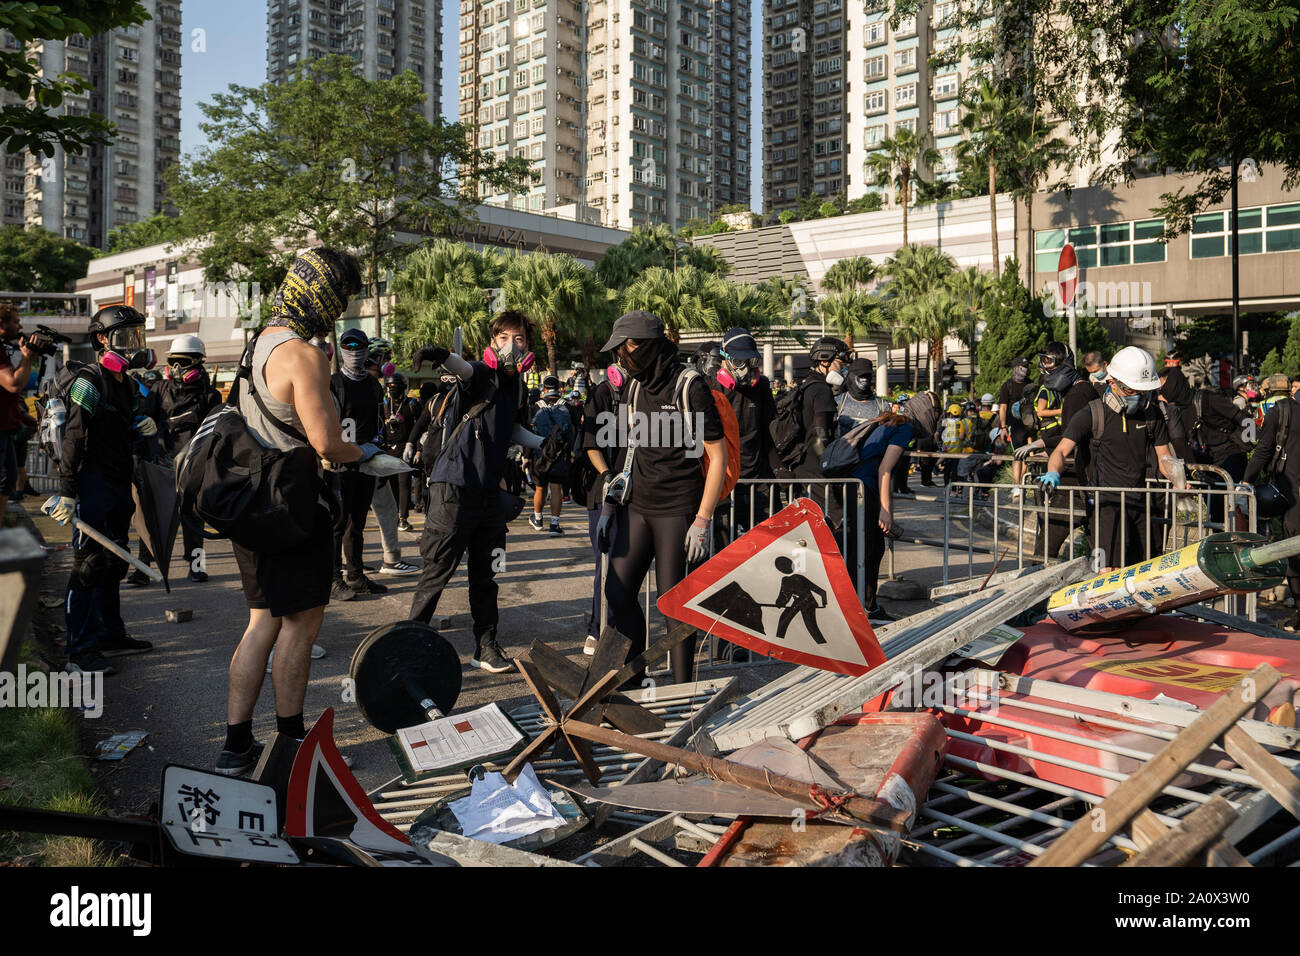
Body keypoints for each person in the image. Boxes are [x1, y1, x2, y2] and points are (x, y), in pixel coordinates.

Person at [216, 247, 368, 775]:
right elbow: (327, 442)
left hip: (249, 504)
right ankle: (292, 744)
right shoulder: (305, 354)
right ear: (325, 295)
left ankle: (236, 747)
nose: (340, 308)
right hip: (292, 507)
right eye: (341, 295)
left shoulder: (257, 342)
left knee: (261, 622)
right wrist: (367, 454)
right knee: (300, 627)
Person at [407, 311, 553, 673]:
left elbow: (513, 429)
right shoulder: (482, 374)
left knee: (486, 576)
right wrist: (441, 354)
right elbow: (464, 370)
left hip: (488, 492)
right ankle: (405, 648)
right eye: (504, 338)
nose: (511, 346)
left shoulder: (518, 386)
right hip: (453, 487)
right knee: (435, 573)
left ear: (528, 347)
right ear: (492, 343)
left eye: (519, 339)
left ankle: (485, 647)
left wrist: (544, 443)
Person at [599, 310, 726, 684]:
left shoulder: (690, 386)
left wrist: (702, 520)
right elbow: (631, 447)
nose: (621, 356)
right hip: (638, 507)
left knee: (674, 606)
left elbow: (716, 456)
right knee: (618, 592)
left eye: (626, 348)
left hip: (678, 510)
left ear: (649, 347)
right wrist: (610, 504)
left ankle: (683, 690)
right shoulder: (635, 387)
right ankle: (635, 678)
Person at [48, 305, 158, 675]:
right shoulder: (89, 381)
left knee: (114, 561)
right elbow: (74, 438)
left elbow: (116, 430)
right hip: (92, 481)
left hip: (116, 480)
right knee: (89, 564)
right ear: (101, 339)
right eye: (126, 338)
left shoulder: (127, 384)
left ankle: (110, 634)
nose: (134, 346)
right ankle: (80, 650)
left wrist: (139, 429)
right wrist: (67, 491)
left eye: (138, 337)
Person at [1041, 346, 1182, 570]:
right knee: (1108, 573)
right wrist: (1052, 472)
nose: (1138, 397)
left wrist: (1178, 480)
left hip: (1140, 503)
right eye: (1131, 390)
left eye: (1143, 392)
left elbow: (1164, 456)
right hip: (1104, 506)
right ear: (1112, 383)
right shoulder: (1092, 413)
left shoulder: (1153, 416)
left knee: (1142, 571)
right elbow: (1060, 451)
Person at [157, 334, 222, 583]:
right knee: (155, 518)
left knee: (193, 521)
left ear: (197, 362)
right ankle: (142, 568)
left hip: (193, 467)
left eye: (182, 362)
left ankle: (196, 566)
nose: (176, 368)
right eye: (172, 361)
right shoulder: (159, 389)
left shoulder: (210, 396)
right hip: (162, 463)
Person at [329, 328, 388, 599]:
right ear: (341, 350)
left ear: (366, 350)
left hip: (366, 461)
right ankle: (332, 578)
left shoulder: (374, 384)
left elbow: (379, 422)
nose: (354, 352)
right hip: (339, 464)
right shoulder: (333, 383)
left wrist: (378, 452)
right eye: (348, 347)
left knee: (358, 523)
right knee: (337, 523)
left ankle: (355, 575)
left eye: (359, 347)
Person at [1242, 381, 1300, 630]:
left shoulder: (1281, 410)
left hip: (1292, 493)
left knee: (1294, 547)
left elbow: (1264, 449)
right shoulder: (1283, 409)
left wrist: (1246, 480)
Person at [849, 409, 913, 619]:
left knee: (864, 550)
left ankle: (865, 605)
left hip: (853, 488)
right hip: (865, 491)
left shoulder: (885, 423)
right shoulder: (905, 428)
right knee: (869, 551)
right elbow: (884, 470)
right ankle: (864, 608)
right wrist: (885, 511)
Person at [713, 327, 777, 535]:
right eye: (739, 361)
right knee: (722, 551)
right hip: (723, 482)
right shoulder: (710, 388)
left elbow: (770, 431)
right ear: (725, 358)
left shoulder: (761, 386)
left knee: (767, 545)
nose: (745, 368)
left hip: (757, 482)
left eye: (750, 361)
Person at [0, 305, 37, 519]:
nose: (20, 325)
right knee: (4, 480)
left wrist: (21, 416)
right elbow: (13, 384)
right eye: (15, 321)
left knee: (9, 479)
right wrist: (28, 356)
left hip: (7, 425)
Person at [530, 375, 574, 535]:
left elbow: (529, 430)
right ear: (559, 389)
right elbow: (572, 431)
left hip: (540, 453)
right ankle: (554, 524)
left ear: (544, 388)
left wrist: (526, 457)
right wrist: (570, 453)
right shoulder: (567, 406)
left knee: (540, 487)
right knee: (557, 488)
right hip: (559, 453)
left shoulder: (536, 406)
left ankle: (538, 519)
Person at [999, 355, 1033, 497]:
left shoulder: (1031, 384)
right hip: (1014, 426)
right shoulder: (1007, 386)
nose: (1025, 369)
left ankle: (1022, 481)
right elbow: (1003, 407)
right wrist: (1003, 427)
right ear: (1015, 368)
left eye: (1026, 366)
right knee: (1017, 455)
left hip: (1030, 425)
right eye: (1022, 366)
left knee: (1028, 455)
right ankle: (1016, 484)